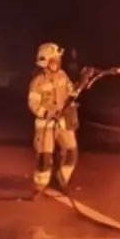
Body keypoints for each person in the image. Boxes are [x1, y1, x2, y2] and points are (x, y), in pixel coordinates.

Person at [27, 42, 79, 193]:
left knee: (71, 152)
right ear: (46, 61)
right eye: (54, 59)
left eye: (57, 59)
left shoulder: (63, 76)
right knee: (45, 158)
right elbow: (33, 103)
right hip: (45, 125)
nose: (57, 62)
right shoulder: (37, 82)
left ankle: (61, 180)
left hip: (62, 122)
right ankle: (39, 186)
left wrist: (82, 82)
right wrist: (47, 113)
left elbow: (71, 92)